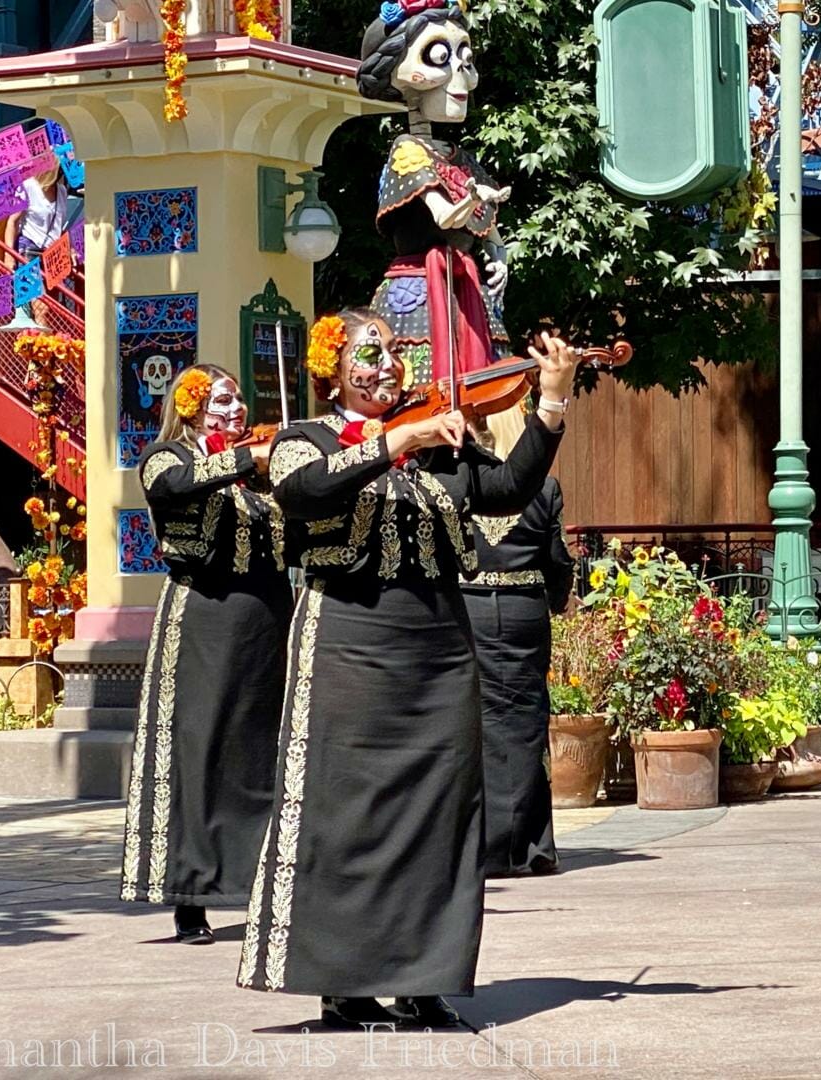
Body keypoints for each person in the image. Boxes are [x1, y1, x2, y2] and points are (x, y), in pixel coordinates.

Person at [237, 308, 576, 1030]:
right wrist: (396, 440)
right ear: (334, 368)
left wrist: (552, 397)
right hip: (350, 646)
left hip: (442, 651)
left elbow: (511, 488)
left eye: (395, 354)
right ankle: (346, 984)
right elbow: (303, 494)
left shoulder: (441, 446)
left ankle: (427, 978)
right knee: (350, 813)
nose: (388, 366)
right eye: (371, 354)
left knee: (442, 814)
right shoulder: (307, 440)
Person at [120, 365, 289, 943]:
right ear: (191, 407)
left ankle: (261, 881)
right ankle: (191, 894)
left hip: (269, 621)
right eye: (223, 399)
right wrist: (249, 460)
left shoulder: (259, 473)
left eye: (239, 399)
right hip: (204, 618)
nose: (237, 409)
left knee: (263, 750)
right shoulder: (168, 458)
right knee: (201, 749)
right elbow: (175, 488)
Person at [358, 1, 512, 386]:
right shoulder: (408, 151)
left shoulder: (465, 161)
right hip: (418, 294)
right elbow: (444, 217)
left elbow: (492, 236)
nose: (459, 72)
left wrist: (500, 259)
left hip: (469, 290)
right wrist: (474, 198)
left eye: (466, 58)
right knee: (416, 380)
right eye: (439, 57)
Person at [462, 404, 574, 878]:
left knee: (476, 725)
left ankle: (484, 846)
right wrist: (555, 599)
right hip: (525, 611)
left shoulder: (460, 486)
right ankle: (532, 846)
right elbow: (559, 561)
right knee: (527, 721)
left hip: (468, 611)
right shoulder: (543, 488)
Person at [5, 166, 69, 262]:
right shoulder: (28, 186)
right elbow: (12, 222)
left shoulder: (62, 191)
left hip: (52, 255)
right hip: (30, 249)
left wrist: (69, 247)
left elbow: (59, 226)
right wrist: (9, 255)